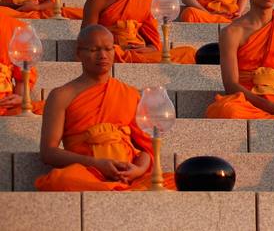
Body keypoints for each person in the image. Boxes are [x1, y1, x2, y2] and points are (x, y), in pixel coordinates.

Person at [34, 24, 176, 191]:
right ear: (79, 53)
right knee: (61, 180)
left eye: (108, 49)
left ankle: (122, 186)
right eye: (94, 50)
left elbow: (146, 149)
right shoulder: (61, 96)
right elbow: (48, 152)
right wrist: (95, 164)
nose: (103, 56)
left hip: (128, 174)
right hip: (88, 172)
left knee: (176, 180)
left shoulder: (129, 94)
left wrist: (138, 170)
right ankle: (117, 189)